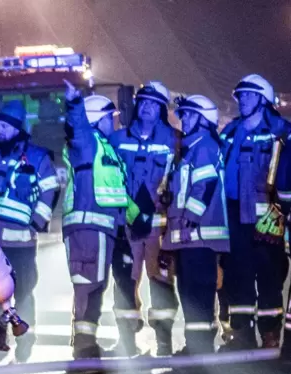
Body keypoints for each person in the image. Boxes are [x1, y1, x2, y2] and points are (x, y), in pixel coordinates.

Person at [62, 80, 151, 359]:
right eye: (108, 118)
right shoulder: (86, 142)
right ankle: (84, 347)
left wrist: (138, 217)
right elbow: (77, 126)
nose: (113, 124)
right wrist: (75, 102)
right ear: (95, 120)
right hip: (88, 225)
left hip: (107, 227)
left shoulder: (106, 149)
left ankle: (90, 345)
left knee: (97, 285)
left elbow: (120, 193)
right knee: (89, 285)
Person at [0, 100, 60, 363]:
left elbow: (51, 188)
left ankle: (25, 341)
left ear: (19, 129)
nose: (0, 131)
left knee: (22, 294)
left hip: (20, 243)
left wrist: (37, 221)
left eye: (6, 127)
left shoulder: (37, 157)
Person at [108, 81, 181, 356]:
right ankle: (127, 342)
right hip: (127, 227)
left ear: (162, 109)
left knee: (162, 283)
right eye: (144, 102)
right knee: (125, 282)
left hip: (160, 228)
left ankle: (164, 341)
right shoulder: (117, 139)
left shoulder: (175, 141)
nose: (148, 107)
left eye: (154, 103)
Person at [220, 74, 291, 349]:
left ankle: (270, 334)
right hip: (236, 215)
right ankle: (242, 333)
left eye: (249, 95)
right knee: (238, 276)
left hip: (269, 216)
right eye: (241, 96)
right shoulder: (230, 131)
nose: (242, 100)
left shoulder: (281, 132)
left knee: (270, 275)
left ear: (262, 98)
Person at [161, 95, 229, 354]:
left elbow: (205, 184)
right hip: (189, 238)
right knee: (189, 294)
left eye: (188, 114)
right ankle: (195, 346)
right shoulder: (192, 149)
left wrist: (190, 218)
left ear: (203, 118)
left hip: (200, 236)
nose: (183, 119)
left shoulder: (205, 146)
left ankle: (200, 348)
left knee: (198, 294)